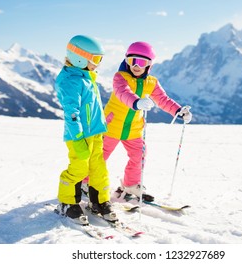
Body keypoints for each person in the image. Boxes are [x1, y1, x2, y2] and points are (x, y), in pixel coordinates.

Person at [100, 41, 192, 201]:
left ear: (149, 65)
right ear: (126, 61)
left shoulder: (152, 82)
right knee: (100, 154)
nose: (136, 66)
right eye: (132, 60)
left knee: (139, 155)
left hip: (133, 129)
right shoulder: (120, 77)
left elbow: (163, 99)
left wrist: (178, 111)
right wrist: (136, 102)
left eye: (141, 62)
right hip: (111, 126)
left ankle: (131, 185)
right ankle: (87, 183)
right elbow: (123, 92)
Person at [54, 35, 117, 223]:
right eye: (96, 59)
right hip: (79, 136)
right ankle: (67, 203)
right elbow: (71, 113)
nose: (98, 64)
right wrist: (78, 137)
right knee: (79, 169)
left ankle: (99, 202)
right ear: (79, 57)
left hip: (95, 133)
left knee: (99, 169)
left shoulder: (86, 77)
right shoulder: (71, 81)